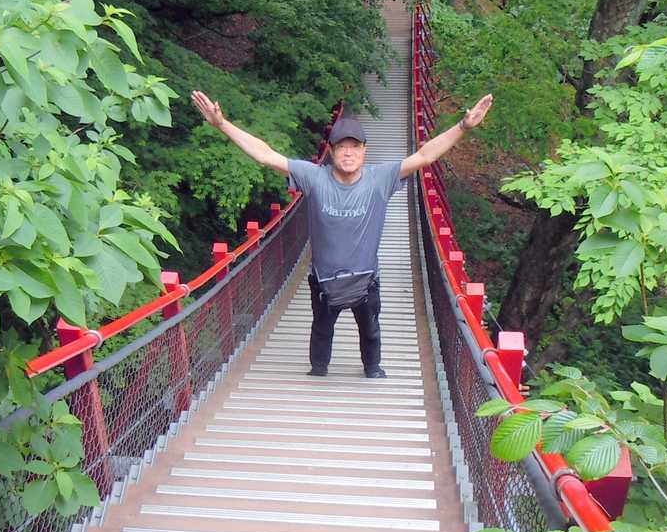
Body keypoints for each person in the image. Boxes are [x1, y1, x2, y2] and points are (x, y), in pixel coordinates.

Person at [190, 89, 493, 377]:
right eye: (341, 147)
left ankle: (372, 371)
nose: (348, 153)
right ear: (332, 151)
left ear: (364, 150)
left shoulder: (380, 179)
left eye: (354, 146)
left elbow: (425, 156)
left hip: (366, 279)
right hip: (324, 280)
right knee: (321, 329)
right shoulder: (313, 177)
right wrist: (222, 124)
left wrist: (463, 126)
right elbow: (266, 156)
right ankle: (318, 372)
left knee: (370, 331)